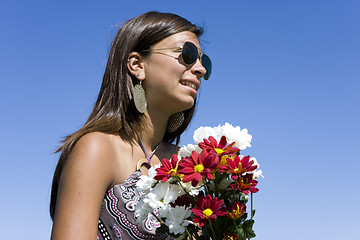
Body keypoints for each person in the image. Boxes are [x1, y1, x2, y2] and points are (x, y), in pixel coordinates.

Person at [50, 11, 212, 240]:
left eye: (204, 61)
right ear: (137, 65)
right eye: (187, 54)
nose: (200, 69)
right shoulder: (97, 148)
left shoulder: (186, 163)